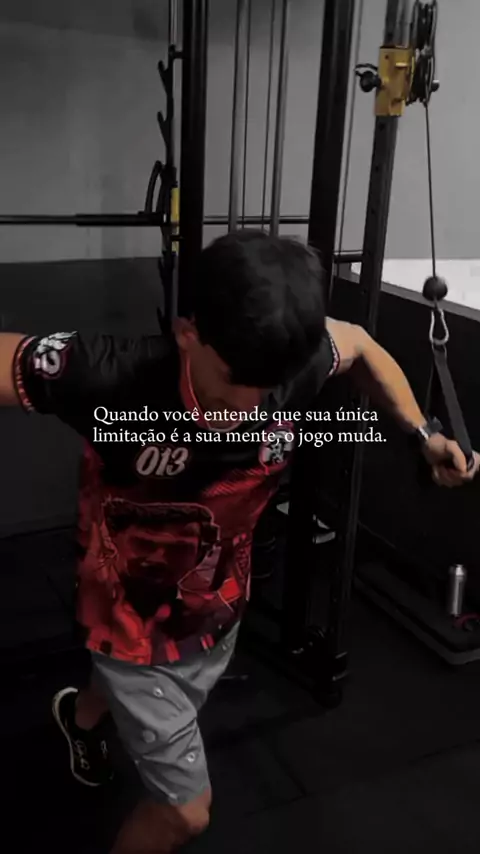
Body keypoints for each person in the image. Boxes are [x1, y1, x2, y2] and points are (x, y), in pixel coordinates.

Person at [0, 230, 477, 854]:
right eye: (232, 383)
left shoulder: (291, 360)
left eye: (265, 387)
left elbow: (358, 344)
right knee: (184, 814)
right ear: (187, 334)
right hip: (127, 620)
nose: (248, 408)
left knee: (157, 687)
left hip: (218, 604)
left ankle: (80, 716)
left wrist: (422, 433)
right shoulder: (113, 376)